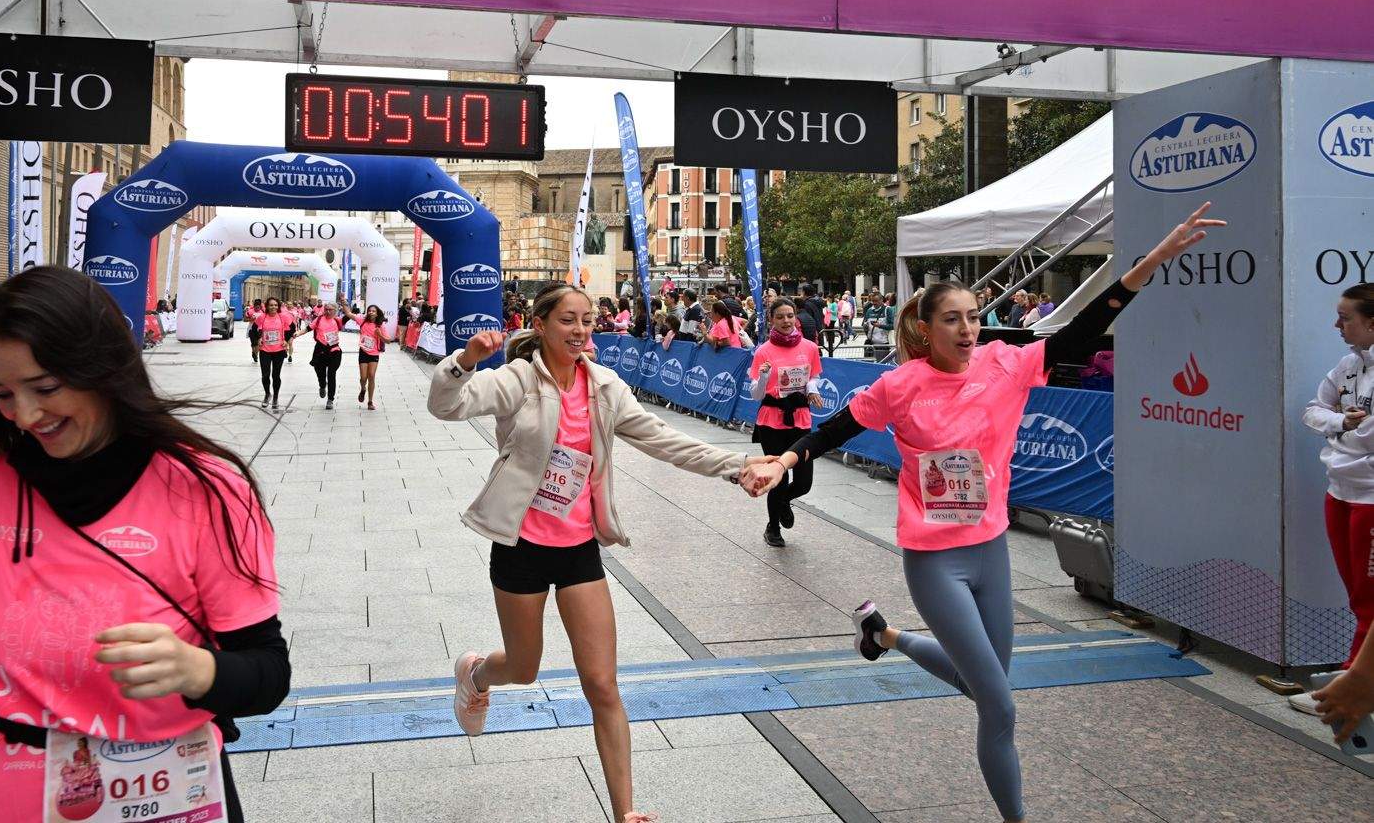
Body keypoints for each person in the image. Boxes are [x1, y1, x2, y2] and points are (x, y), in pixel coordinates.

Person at [742, 202, 1225, 823]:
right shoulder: (902, 384)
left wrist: (1150, 263)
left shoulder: (1007, 362)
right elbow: (835, 427)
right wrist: (781, 463)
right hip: (935, 561)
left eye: (974, 317)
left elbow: (1080, 330)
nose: (969, 330)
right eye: (954, 320)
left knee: (980, 683)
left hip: (991, 552)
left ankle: (883, 634)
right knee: (999, 706)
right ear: (925, 329)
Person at [0, 267, 288, 823]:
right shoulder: (1, 481)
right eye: (2, 395)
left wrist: (198, 670)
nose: (27, 415)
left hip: (167, 786)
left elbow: (267, 672)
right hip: (11, 784)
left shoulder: (205, 487)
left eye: (45, 388)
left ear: (101, 367)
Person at [427, 282, 772, 823]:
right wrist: (465, 361)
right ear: (539, 326)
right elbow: (446, 405)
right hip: (520, 546)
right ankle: (475, 674)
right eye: (568, 320)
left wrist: (736, 467)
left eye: (588, 320)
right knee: (524, 668)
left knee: (603, 684)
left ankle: (625, 812)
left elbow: (663, 439)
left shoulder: (604, 387)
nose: (581, 330)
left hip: (579, 549)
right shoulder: (516, 379)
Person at [1293, 282, 1374, 714]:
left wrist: (1344, 428)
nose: (1335, 324)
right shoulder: (1348, 365)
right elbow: (1311, 410)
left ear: (1372, 322)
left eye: (1345, 317)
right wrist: (1342, 423)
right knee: (1356, 592)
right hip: (1339, 491)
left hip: (1371, 499)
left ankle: (1349, 688)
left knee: (1369, 597)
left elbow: (1369, 440)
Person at [748, 298, 826, 548]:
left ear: (796, 317)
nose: (786, 321)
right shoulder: (763, 351)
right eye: (780, 317)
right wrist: (763, 378)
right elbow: (756, 394)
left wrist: (813, 390)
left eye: (790, 316)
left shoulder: (810, 347)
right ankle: (773, 528)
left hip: (800, 419)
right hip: (772, 421)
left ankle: (784, 502)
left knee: (803, 482)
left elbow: (812, 377)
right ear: (772, 319)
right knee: (777, 478)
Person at [294, 301, 345, 410]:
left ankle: (330, 399)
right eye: (326, 309)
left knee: (331, 374)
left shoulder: (337, 320)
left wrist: (345, 303)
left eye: (330, 309)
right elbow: (308, 329)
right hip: (320, 349)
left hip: (334, 349)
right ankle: (322, 385)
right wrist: (298, 333)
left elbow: (349, 315)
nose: (327, 311)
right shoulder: (319, 319)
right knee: (320, 372)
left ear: (335, 311)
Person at [252, 297, 295, 410]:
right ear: (266, 306)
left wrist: (286, 339)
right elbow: (253, 329)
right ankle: (267, 394)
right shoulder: (262, 317)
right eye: (271, 305)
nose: (273, 307)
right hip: (265, 350)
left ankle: (275, 396)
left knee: (276, 375)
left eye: (276, 305)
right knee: (265, 375)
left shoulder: (283, 316)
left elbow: (292, 328)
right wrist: (259, 338)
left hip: (279, 351)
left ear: (278, 306)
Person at [349, 304, 389, 410]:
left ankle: (370, 402)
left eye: (373, 311)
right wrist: (344, 302)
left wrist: (379, 335)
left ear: (377, 314)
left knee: (371, 376)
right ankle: (363, 389)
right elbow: (349, 314)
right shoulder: (362, 321)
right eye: (369, 310)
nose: (371, 312)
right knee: (363, 378)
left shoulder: (380, 325)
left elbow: (388, 341)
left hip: (374, 353)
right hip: (363, 352)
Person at [245, 298, 264, 364]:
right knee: (253, 343)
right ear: (254, 306)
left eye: (259, 307)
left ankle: (256, 355)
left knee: (259, 343)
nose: (257, 308)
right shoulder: (250, 311)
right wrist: (250, 319)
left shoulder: (262, 312)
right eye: (256, 307)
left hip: (260, 329)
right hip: (251, 329)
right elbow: (245, 319)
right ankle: (254, 352)